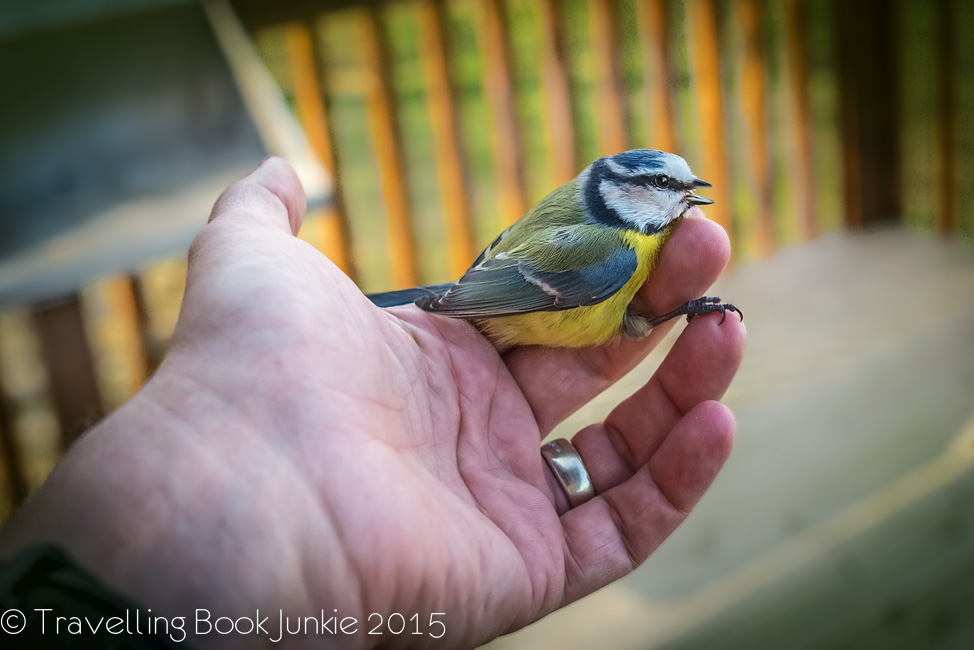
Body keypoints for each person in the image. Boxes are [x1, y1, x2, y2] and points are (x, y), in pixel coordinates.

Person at [0, 158, 745, 648]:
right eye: (663, 188)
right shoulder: (610, 250)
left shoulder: (622, 237)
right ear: (620, 191)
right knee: (620, 311)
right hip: (506, 304)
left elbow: (556, 278)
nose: (683, 201)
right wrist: (454, 303)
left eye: (683, 189)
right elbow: (532, 289)